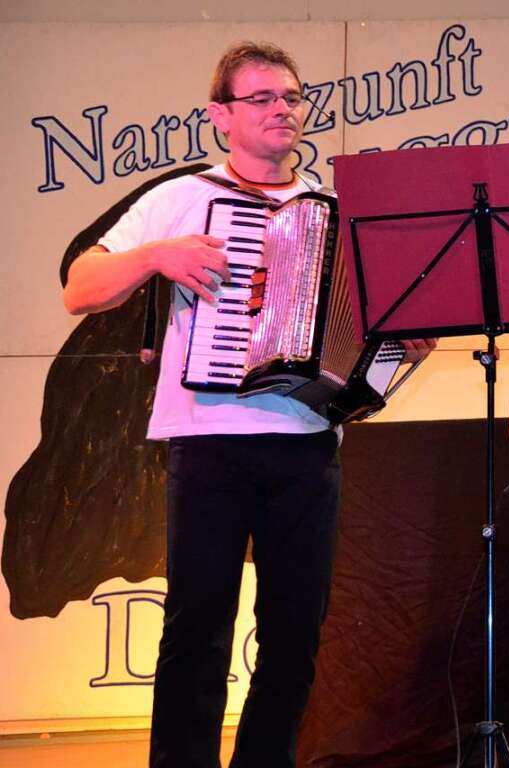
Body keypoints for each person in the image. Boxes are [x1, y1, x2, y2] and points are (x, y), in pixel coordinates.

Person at [62, 42, 435, 768]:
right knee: (197, 630)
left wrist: (401, 349)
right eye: (262, 98)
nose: (282, 111)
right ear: (220, 116)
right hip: (209, 441)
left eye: (292, 98)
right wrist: (156, 256)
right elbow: (80, 286)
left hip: (307, 440)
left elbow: (371, 337)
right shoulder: (182, 196)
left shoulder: (334, 210)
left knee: (295, 635)